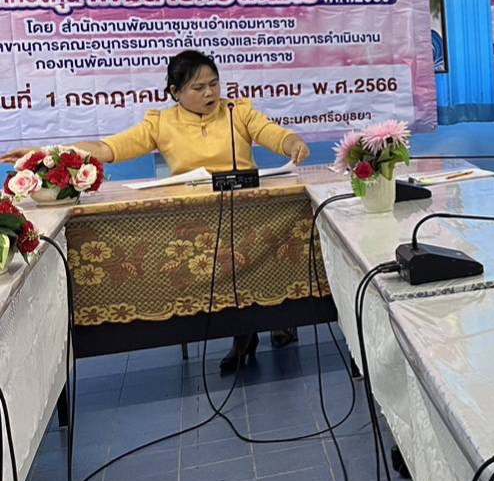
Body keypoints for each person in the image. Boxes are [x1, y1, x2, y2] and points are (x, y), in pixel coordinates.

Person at [4, 50, 312, 373]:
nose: (209, 93)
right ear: (175, 92)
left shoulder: (238, 111)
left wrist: (292, 143)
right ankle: (244, 332)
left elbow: (274, 134)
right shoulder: (162, 123)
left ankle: (276, 316)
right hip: (196, 218)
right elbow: (108, 149)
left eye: (214, 84)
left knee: (271, 244)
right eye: (198, 87)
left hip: (248, 209)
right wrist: (47, 152)